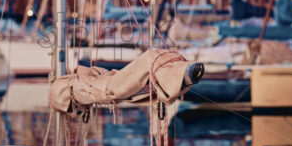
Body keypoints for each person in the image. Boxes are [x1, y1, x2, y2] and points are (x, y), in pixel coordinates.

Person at [50, 49, 205, 112]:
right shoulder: (79, 85)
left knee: (111, 86)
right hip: (95, 85)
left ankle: (173, 75)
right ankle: (174, 76)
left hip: (98, 83)